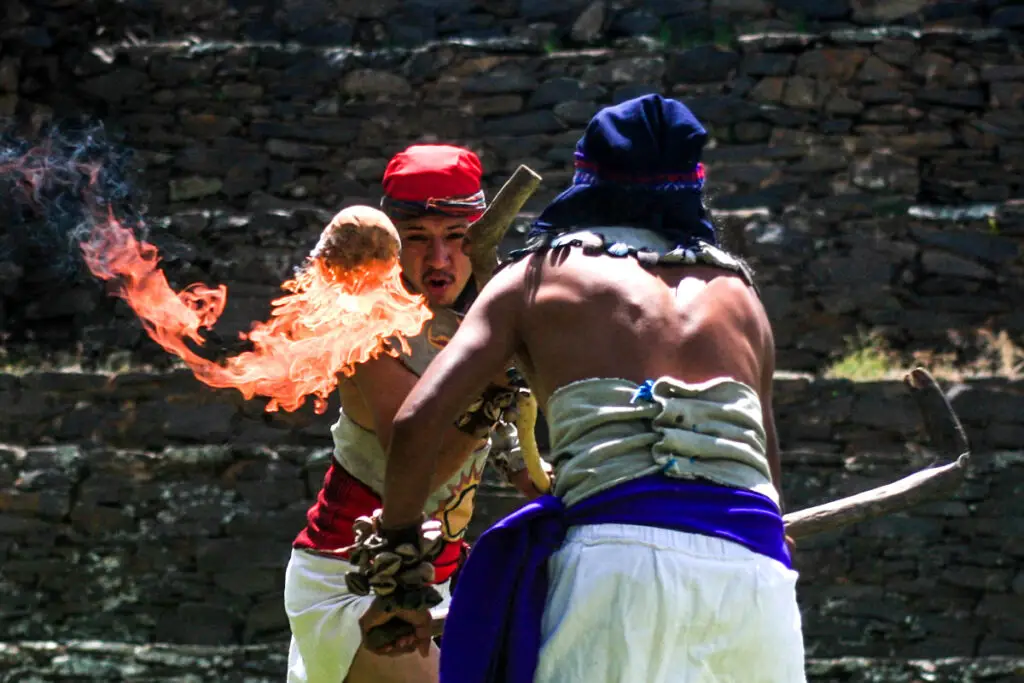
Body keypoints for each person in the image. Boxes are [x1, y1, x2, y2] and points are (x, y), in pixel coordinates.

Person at [355, 94, 807, 682]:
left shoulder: (536, 276)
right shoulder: (740, 294)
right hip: (758, 575)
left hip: (615, 569)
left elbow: (417, 423)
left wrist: (400, 577)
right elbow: (768, 477)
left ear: (585, 179)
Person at [284, 143, 541, 683]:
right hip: (351, 579)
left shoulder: (476, 325)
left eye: (456, 237)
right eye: (419, 240)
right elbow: (418, 465)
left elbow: (523, 469)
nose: (440, 258)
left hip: (439, 582)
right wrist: (491, 393)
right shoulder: (365, 329)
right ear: (393, 249)